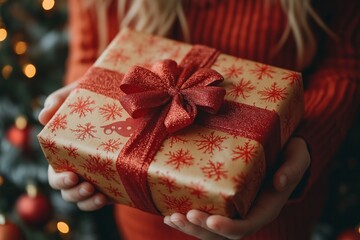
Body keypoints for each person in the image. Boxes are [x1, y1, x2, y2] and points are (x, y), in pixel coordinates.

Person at [38, 0, 360, 239]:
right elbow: (93, 52)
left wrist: (306, 141)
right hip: (144, 215)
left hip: (273, 211)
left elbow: (345, 60)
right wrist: (76, 132)